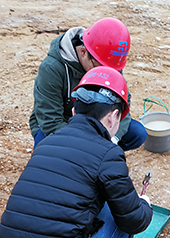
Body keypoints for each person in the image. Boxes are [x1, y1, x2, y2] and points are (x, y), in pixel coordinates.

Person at [0, 66, 153, 238]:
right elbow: (134, 221)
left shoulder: (48, 142)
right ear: (114, 117)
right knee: (120, 214)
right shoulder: (108, 153)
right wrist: (143, 203)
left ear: (73, 111)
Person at [29, 17, 148, 151]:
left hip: (97, 119)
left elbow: (123, 103)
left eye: (112, 69)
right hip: (63, 121)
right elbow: (50, 120)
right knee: (47, 154)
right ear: (83, 52)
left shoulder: (106, 60)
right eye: (99, 67)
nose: (106, 72)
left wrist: (112, 139)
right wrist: (88, 144)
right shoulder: (52, 69)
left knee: (137, 133)